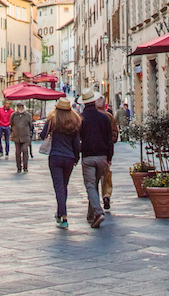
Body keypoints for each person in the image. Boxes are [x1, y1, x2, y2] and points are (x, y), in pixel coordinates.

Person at [41, 97, 82, 227]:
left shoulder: (52, 120)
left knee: (58, 187)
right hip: (69, 157)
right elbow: (76, 143)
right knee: (64, 186)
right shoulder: (74, 121)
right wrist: (76, 158)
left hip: (55, 157)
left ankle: (64, 217)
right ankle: (60, 213)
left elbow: (42, 135)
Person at [79, 89, 114, 227]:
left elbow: (78, 140)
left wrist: (77, 154)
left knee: (90, 185)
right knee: (94, 185)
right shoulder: (104, 118)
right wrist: (109, 157)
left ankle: (98, 212)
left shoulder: (80, 118)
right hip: (102, 157)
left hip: (88, 156)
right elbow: (109, 140)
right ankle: (91, 215)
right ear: (94, 101)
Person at [100, 102, 120, 211]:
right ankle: (106, 196)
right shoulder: (109, 117)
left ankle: (93, 204)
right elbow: (114, 135)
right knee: (106, 177)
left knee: (91, 182)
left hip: (89, 154)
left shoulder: (85, 116)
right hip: (104, 154)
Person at [10, 101, 32, 173]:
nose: (20, 108)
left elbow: (30, 125)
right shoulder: (13, 115)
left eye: (21, 107)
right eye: (19, 107)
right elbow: (11, 124)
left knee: (25, 150)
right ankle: (19, 167)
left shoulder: (28, 115)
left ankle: (25, 167)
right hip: (17, 137)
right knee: (17, 153)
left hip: (25, 137)